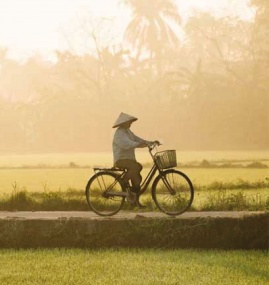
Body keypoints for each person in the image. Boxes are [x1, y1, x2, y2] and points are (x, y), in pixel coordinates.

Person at [112, 112, 155, 208]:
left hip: (128, 160)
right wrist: (137, 144)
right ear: (124, 123)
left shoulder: (128, 132)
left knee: (137, 178)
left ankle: (135, 203)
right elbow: (126, 144)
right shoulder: (119, 133)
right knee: (137, 167)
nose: (130, 124)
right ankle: (124, 180)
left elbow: (137, 139)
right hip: (121, 160)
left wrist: (149, 142)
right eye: (129, 122)